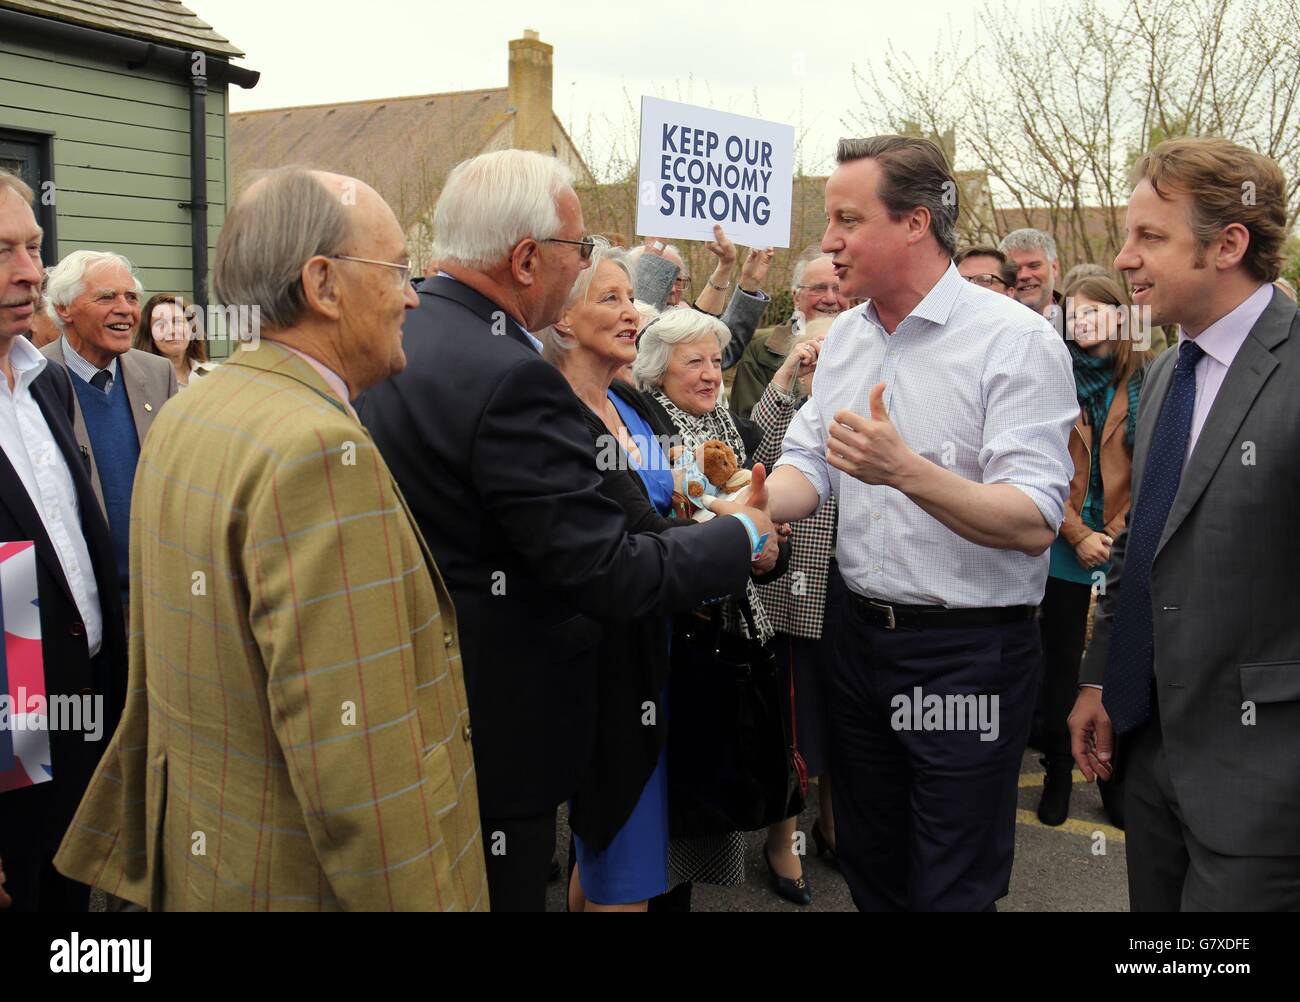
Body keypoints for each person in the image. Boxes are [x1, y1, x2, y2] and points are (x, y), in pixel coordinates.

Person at [53, 167, 487, 911]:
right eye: (397, 272)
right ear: (323, 284)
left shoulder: (193, 409)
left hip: (211, 864)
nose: (412, 296)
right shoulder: (318, 452)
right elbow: (363, 775)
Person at [355, 149, 769, 912]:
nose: (584, 267)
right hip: (505, 720)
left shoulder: (404, 336)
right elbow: (606, 570)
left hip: (422, 704)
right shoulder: (513, 375)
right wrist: (741, 536)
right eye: (579, 252)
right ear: (524, 259)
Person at [753, 136, 1077, 911]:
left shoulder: (1016, 341)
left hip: (969, 656)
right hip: (856, 640)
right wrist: (754, 507)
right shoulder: (845, 341)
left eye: (845, 219)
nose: (828, 241)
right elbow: (811, 462)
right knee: (871, 865)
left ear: (915, 224)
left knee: (951, 887)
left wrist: (906, 471)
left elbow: (1035, 517)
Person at [1069, 138, 1300, 911]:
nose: (1125, 258)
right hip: (1151, 762)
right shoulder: (1171, 369)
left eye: (1149, 237)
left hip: (1265, 789)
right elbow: (1145, 538)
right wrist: (1102, 674)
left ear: (1228, 243)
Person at [541, 240, 777, 911]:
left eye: (629, 298)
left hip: (670, 655)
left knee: (615, 854)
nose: (631, 313)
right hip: (611, 665)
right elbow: (633, 536)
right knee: (625, 859)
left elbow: (678, 500)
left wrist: (732, 522)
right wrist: (736, 537)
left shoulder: (633, 408)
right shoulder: (563, 418)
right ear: (562, 320)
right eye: (610, 298)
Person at [632, 307, 791, 905]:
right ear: (657, 371)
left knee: (700, 807)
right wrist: (743, 535)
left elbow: (757, 524)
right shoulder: (651, 435)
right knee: (664, 803)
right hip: (678, 639)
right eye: (691, 362)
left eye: (714, 361)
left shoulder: (727, 423)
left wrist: (767, 547)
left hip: (731, 631)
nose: (709, 374)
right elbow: (679, 521)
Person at [0, 168, 126, 912]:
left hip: (75, 722)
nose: (28, 271)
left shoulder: (43, 381)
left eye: (34, 247)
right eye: (2, 250)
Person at [1035, 275, 1147, 826]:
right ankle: (1058, 770)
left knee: (1116, 665)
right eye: (1072, 315)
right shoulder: (1053, 378)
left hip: (1127, 546)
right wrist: (1077, 533)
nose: (1081, 324)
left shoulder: (1148, 377)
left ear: (1121, 317)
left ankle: (1111, 777)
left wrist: (1118, 533)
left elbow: (1155, 468)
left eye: (1093, 314)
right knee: (1061, 669)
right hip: (1064, 543)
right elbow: (1040, 468)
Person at [747, 316, 841, 902]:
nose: (827, 357)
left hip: (852, 588)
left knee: (842, 714)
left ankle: (833, 827)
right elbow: (752, 454)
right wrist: (787, 379)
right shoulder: (792, 403)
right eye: (818, 346)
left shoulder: (868, 403)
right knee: (796, 718)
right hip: (794, 594)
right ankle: (782, 839)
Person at [40, 251, 177, 607]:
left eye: (131, 297)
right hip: (77, 600)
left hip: (154, 593)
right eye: (106, 297)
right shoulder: (33, 380)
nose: (125, 308)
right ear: (64, 308)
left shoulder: (158, 375)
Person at [630, 227, 774, 369]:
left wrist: (747, 281)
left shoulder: (685, 318)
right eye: (663, 279)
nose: (673, 289)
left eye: (678, 281)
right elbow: (642, 343)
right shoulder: (623, 332)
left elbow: (722, 349)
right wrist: (653, 254)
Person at [729, 253, 848, 420]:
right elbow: (747, 431)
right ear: (796, 297)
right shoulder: (762, 353)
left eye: (839, 288)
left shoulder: (867, 348)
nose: (830, 298)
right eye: (818, 288)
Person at [132, 293, 217, 388]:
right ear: (149, 334)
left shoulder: (216, 375)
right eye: (160, 325)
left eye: (178, 322)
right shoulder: (140, 384)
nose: (172, 331)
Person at [1000, 228, 1063, 332]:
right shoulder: (993, 328)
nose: (1024, 275)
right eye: (1015, 268)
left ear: (1054, 268)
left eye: (1034, 266)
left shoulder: (1084, 323)